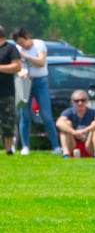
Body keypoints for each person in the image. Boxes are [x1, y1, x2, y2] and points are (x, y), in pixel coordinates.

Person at [12, 27, 61, 155]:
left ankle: (55, 146)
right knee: (25, 115)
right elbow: (18, 66)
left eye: (22, 42)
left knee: (46, 115)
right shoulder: (17, 49)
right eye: (18, 44)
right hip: (25, 82)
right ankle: (25, 146)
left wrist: (26, 56)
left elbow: (41, 62)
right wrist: (21, 72)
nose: (21, 45)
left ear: (27, 37)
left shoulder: (39, 44)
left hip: (40, 82)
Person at [55, 89, 95, 159]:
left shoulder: (94, 112)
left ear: (87, 101)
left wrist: (84, 130)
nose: (80, 103)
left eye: (83, 100)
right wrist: (74, 132)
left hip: (89, 145)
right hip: (72, 145)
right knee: (66, 124)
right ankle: (65, 154)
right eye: (77, 101)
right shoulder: (68, 112)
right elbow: (59, 123)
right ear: (72, 102)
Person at [0, 25, 22, 155]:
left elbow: (17, 66)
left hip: (6, 93)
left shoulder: (10, 49)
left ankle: (9, 150)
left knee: (8, 122)